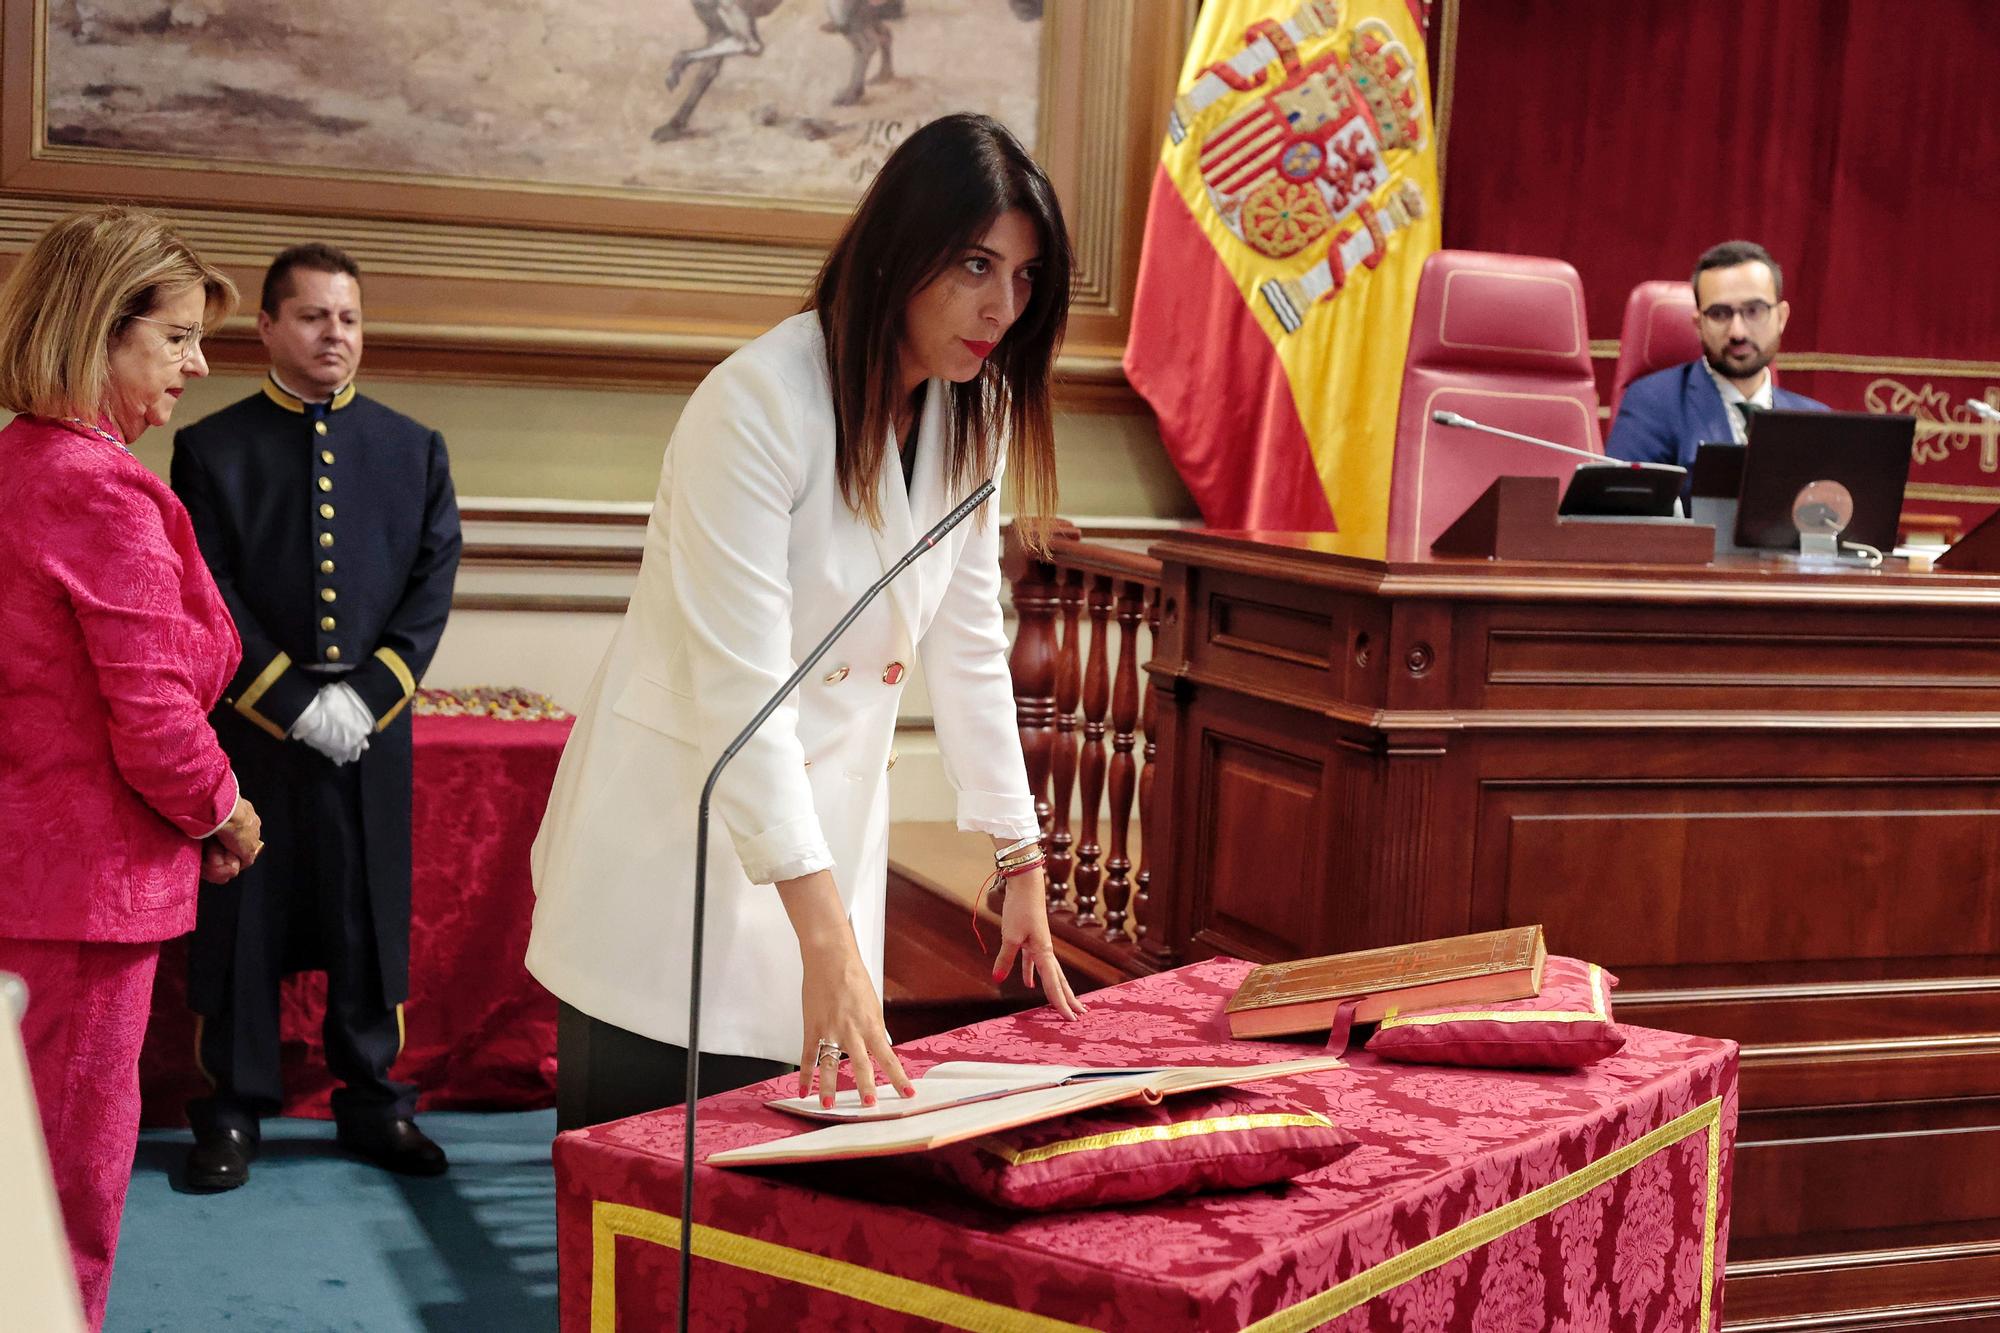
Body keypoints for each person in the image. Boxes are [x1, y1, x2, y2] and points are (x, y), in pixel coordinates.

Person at [528, 112, 1086, 1130]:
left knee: (767, 1200)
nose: (1001, 305)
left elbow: (967, 644)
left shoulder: (977, 416)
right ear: (899, 249)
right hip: (678, 836)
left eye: (1023, 276)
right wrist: (827, 944)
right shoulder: (752, 404)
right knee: (644, 1180)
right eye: (974, 264)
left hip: (821, 845)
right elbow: (743, 692)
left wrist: (1020, 855)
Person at [0, 206, 263, 1330]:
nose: (198, 365)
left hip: (26, 874)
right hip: (80, 895)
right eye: (177, 337)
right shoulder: (99, 486)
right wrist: (225, 810)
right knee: (60, 1192)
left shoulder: (16, 461)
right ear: (100, 333)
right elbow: (152, 714)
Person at [170, 243, 461, 1190]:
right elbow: (206, 589)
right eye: (312, 316)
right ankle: (234, 1109)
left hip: (371, 736)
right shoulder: (212, 448)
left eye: (348, 318)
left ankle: (375, 1101)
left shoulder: (413, 447)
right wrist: (291, 703)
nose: (334, 334)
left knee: (366, 918)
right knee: (245, 916)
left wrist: (368, 695)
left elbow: (430, 583)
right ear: (266, 326)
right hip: (253, 736)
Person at [1608, 239, 1829, 474]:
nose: (1737, 332)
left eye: (1754, 311)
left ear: (1781, 318)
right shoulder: (1653, 404)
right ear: (1698, 324)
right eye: (1719, 314)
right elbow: (1620, 508)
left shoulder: (1818, 423)